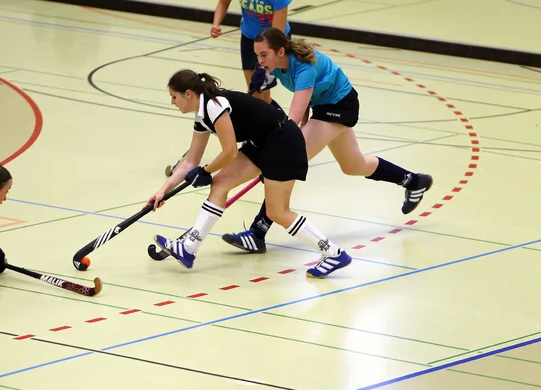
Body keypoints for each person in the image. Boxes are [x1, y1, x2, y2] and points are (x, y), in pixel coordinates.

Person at [221, 27, 434, 255]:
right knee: (354, 165)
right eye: (257, 55)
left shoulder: (304, 69)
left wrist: (274, 158)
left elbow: (292, 118)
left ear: (281, 51)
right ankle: (413, 181)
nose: (259, 61)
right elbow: (299, 104)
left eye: (264, 55)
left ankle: (257, 233)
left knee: (285, 162)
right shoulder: (276, 67)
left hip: (340, 105)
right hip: (322, 105)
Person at [149, 69, 352, 278]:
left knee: (278, 212)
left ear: (188, 94)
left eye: (174, 97)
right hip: (261, 143)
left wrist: (205, 171)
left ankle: (333, 253)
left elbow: (229, 152)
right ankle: (189, 248)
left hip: (283, 142)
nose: (173, 102)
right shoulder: (202, 117)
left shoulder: (214, 105)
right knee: (220, 183)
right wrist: (163, 191)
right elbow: (191, 161)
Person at [210, 0, 291, 107]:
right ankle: (275, 120)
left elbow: (276, 32)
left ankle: (278, 120)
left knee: (258, 91)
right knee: (257, 93)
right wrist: (216, 24)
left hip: (273, 42)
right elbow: (223, 2)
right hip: (249, 38)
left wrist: (265, 57)